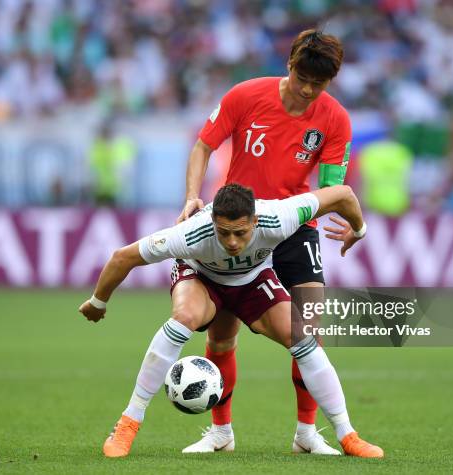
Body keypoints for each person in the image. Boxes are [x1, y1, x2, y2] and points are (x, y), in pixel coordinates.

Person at [78, 183, 384, 459]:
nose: (233, 242)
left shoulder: (280, 216)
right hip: (201, 277)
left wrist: (358, 230)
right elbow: (122, 257)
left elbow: (343, 195)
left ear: (255, 221)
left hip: (251, 280)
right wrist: (97, 302)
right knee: (184, 316)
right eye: (224, 233)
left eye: (241, 232)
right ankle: (128, 423)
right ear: (213, 223)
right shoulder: (192, 233)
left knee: (302, 335)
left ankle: (347, 435)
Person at [176, 29, 353, 454]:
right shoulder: (245, 95)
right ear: (290, 64)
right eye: (302, 78)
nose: (308, 90)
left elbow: (329, 189)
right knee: (221, 333)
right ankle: (221, 432)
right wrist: (192, 196)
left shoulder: (335, 119)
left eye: (319, 83)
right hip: (237, 225)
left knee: (309, 329)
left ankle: (307, 434)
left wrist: (349, 219)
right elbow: (203, 145)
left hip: (293, 227)